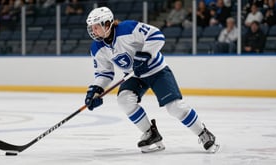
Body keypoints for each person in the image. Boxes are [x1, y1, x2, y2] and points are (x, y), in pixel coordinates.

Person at [84, 6, 219, 153]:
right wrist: (95, 90)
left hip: (156, 70)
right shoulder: (96, 47)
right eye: (92, 28)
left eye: (96, 27)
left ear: (107, 24)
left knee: (175, 107)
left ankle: (203, 133)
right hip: (135, 76)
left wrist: (145, 54)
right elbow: (104, 73)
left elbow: (157, 35)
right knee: (124, 100)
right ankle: (151, 133)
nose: (93, 31)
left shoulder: (128, 28)